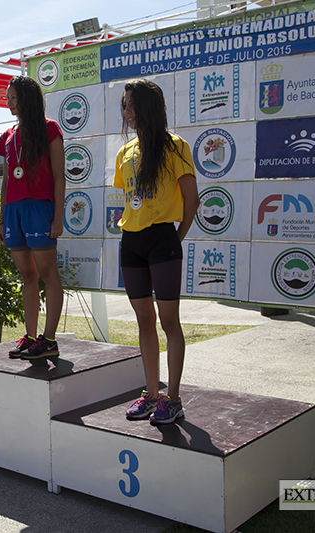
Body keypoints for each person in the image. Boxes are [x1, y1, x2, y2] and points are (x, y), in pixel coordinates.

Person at [113, 79, 199, 425]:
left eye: (132, 105)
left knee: (169, 322)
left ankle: (173, 398)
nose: (127, 112)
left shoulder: (176, 147)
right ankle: (151, 393)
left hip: (163, 239)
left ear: (148, 107)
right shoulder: (125, 152)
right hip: (130, 242)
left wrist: (174, 237)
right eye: (124, 106)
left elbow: (191, 200)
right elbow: (128, 201)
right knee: (144, 321)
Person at [0, 75, 65, 361]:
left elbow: (60, 176)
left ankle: (49, 339)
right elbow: (5, 181)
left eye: (13, 97)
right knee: (27, 275)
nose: (9, 103)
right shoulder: (7, 135)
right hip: (14, 209)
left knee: (48, 273)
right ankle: (31, 335)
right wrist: (1, 218)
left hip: (40, 207)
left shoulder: (50, 129)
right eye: (8, 97)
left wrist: (58, 216)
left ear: (27, 98)